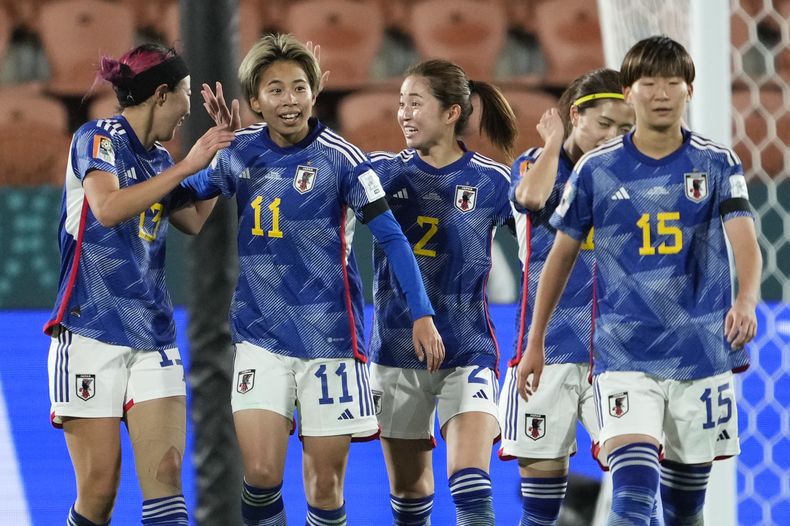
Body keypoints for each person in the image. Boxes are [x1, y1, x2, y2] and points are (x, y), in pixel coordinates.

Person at [200, 33, 444, 526]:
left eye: (298, 88)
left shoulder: (345, 159)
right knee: (263, 472)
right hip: (260, 335)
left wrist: (422, 313)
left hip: (330, 339)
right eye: (275, 90)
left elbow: (392, 239)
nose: (288, 100)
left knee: (324, 486)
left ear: (316, 91)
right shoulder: (240, 152)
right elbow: (187, 196)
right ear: (254, 100)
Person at [518, 36, 761, 526]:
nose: (662, 93)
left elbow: (746, 241)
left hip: (700, 352)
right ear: (630, 91)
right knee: (630, 497)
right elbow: (560, 257)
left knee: (685, 510)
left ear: (689, 90)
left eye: (673, 82)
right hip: (624, 355)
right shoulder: (595, 169)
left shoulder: (716, 163)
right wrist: (535, 340)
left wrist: (748, 299)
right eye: (649, 82)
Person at [44, 44, 238, 526]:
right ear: (161, 94)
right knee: (99, 492)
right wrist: (188, 166)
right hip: (90, 333)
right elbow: (107, 209)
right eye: (186, 93)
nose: (190, 105)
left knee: (167, 478)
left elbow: (192, 220)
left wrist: (220, 157)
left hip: (153, 337)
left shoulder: (158, 160)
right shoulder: (97, 138)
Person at [367, 59, 517, 526]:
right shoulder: (380, 175)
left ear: (452, 113)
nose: (404, 114)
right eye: (400, 104)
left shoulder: (494, 181)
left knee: (470, 483)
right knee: (410, 499)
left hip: (467, 350)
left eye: (416, 103)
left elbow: (543, 244)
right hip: (396, 349)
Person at [498, 68, 634, 526]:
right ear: (575, 115)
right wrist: (554, 142)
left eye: (624, 128)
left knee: (639, 485)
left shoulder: (627, 179)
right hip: (547, 352)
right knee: (539, 506)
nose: (613, 136)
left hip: (613, 356)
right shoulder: (534, 163)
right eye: (604, 124)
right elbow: (532, 198)